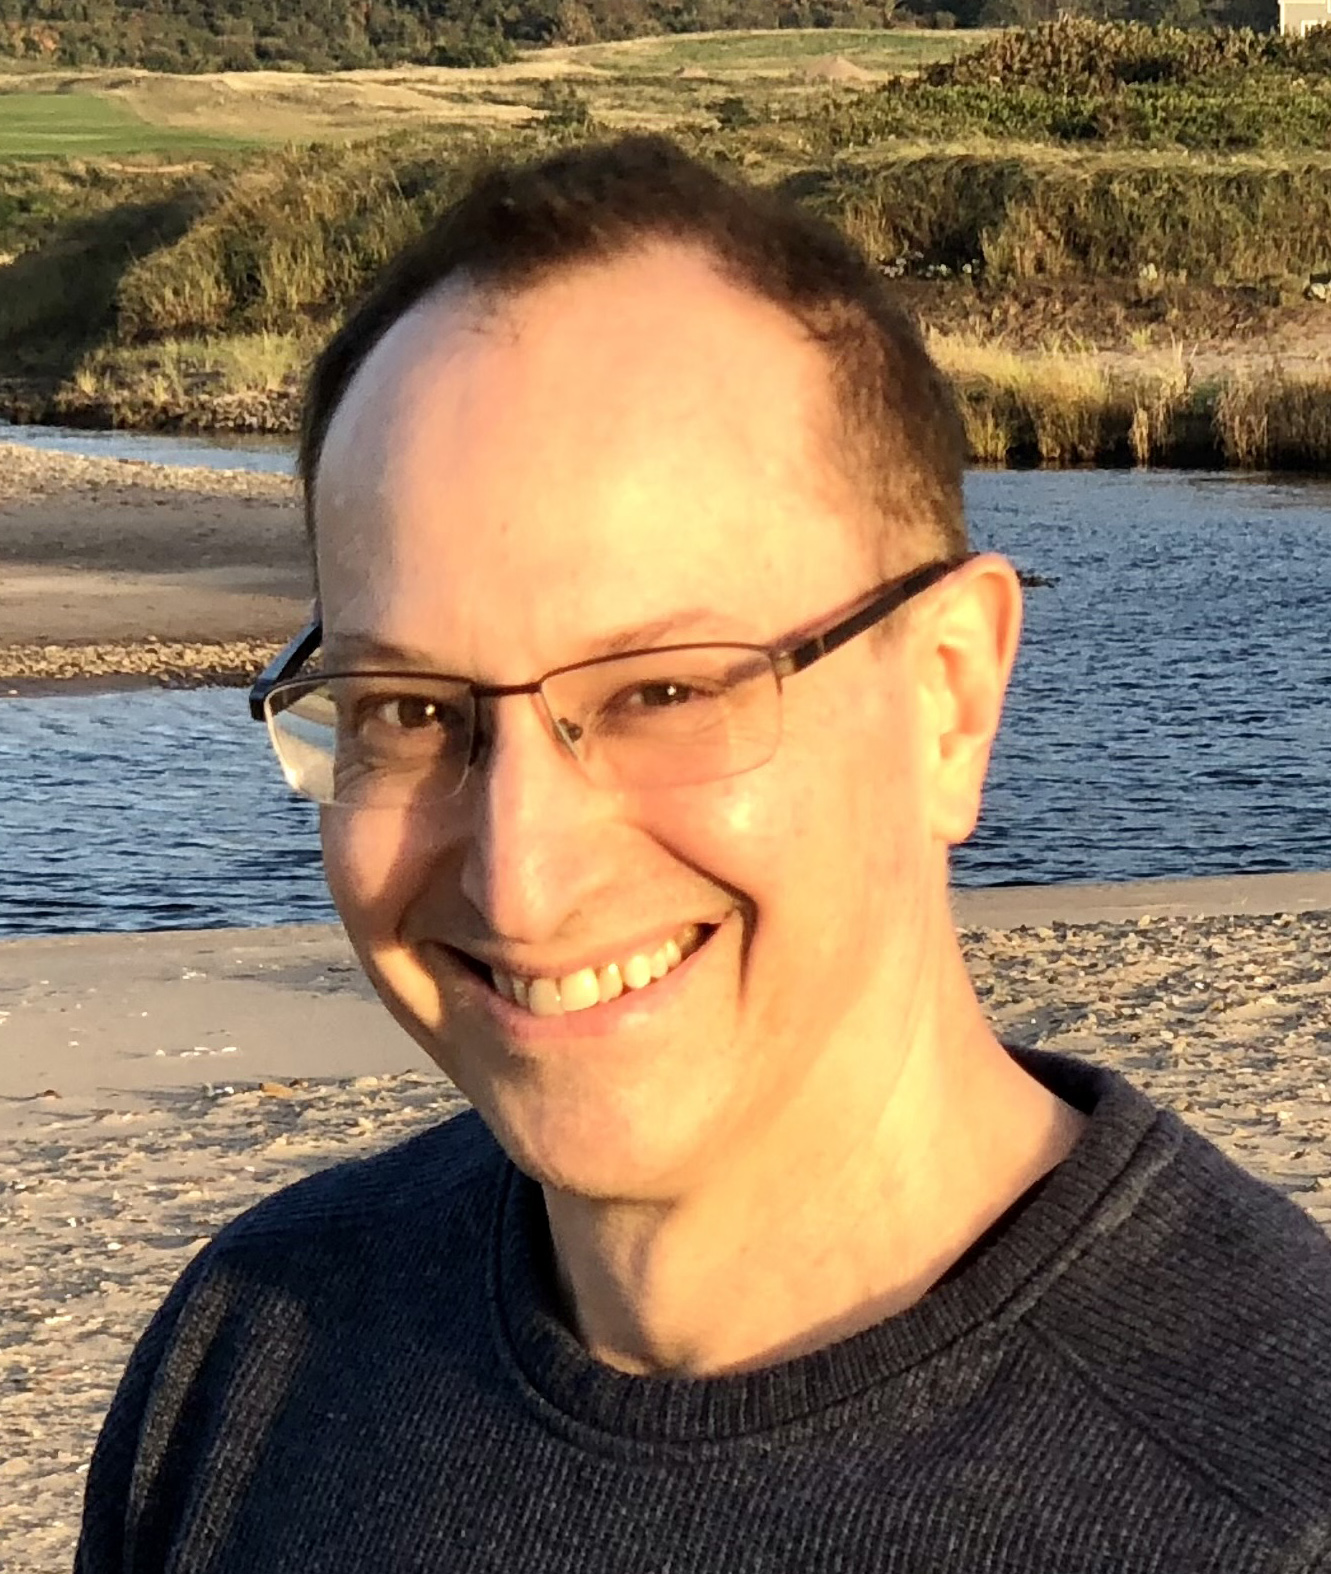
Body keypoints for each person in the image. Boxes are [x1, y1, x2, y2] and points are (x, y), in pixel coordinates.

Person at [77, 136, 1331, 1574]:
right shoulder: (254, 1357)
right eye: (409, 710)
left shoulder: (1275, 1493)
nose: (521, 879)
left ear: (949, 698)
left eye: (664, 691)